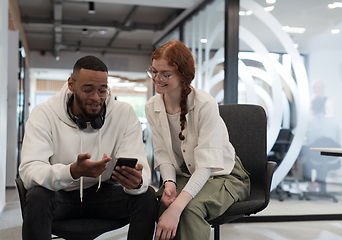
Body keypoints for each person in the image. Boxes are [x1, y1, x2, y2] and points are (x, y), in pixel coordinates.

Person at [19, 55, 157, 240]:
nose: (96, 98)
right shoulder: (44, 114)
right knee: (37, 195)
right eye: (88, 90)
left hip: (103, 197)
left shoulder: (123, 113)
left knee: (147, 195)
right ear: (71, 84)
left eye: (102, 90)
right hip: (61, 196)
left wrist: (137, 182)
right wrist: (71, 172)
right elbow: (29, 170)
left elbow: (141, 167)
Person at [145, 40, 250, 240]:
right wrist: (169, 183)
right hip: (186, 173)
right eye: (154, 71)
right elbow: (163, 153)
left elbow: (207, 166)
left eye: (166, 74)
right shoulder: (152, 106)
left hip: (222, 174)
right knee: (161, 203)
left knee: (189, 209)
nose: (157, 78)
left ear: (184, 75)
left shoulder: (205, 104)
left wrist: (177, 207)